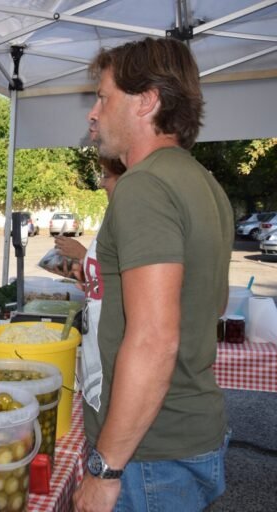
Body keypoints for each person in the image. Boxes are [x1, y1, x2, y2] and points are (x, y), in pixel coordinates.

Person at [74, 37, 234, 512]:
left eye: (103, 96)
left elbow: (154, 340)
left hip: (148, 455)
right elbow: (211, 306)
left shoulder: (144, 185)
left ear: (146, 100)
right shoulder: (202, 182)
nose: (93, 113)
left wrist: (106, 470)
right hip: (183, 436)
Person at [55, 158, 126, 415]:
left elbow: (127, 282)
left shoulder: (131, 219)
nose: (102, 183)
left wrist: (81, 254)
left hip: (113, 358)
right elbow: (105, 279)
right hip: (98, 348)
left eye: (106, 176)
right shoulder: (114, 216)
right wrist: (83, 273)